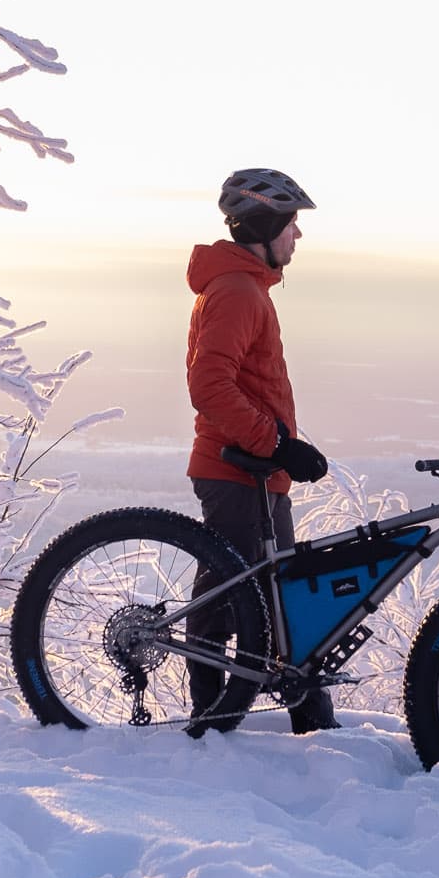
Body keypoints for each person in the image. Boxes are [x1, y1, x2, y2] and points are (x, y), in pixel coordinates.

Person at [184, 167, 338, 735]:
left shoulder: (245, 288)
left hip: (255, 469)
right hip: (237, 466)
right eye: (292, 224)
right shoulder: (237, 292)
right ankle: (216, 723)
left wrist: (280, 450)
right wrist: (276, 443)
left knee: (267, 598)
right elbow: (209, 386)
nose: (298, 236)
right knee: (243, 601)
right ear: (267, 225)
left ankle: (288, 721)